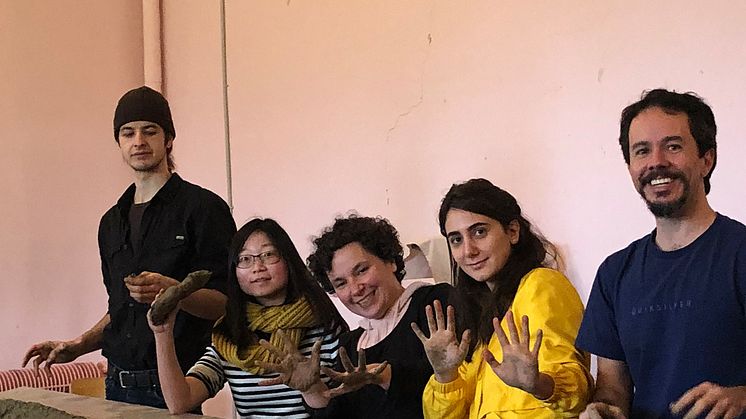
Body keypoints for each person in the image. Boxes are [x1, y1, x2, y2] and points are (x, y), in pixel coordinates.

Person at [21, 86, 236, 408]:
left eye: (150, 130)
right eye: (128, 132)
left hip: (175, 386)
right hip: (116, 381)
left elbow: (228, 304)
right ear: (118, 142)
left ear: (169, 139)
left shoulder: (203, 208)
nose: (139, 141)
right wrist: (79, 345)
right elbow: (121, 308)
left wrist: (175, 292)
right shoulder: (111, 222)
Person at [577, 89, 746, 419]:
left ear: (706, 159)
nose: (656, 161)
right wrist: (604, 410)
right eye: (642, 151)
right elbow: (613, 385)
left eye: (673, 146)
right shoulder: (614, 274)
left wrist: (741, 396)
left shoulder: (739, 253)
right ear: (630, 168)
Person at [416, 178, 591, 418]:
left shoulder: (541, 284)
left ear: (513, 231)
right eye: (456, 239)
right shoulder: (480, 311)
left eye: (479, 232)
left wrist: (539, 384)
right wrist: (445, 376)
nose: (468, 251)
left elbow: (576, 390)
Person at [149, 218, 347, 417]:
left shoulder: (325, 327)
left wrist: (312, 388)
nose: (257, 266)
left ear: (288, 260)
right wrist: (162, 334)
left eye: (268, 255)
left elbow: (350, 406)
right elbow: (180, 402)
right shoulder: (229, 335)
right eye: (245, 259)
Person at [268, 214, 452, 419]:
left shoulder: (434, 302)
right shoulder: (350, 345)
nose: (355, 289)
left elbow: (457, 383)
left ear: (390, 261)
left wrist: (386, 375)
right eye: (341, 283)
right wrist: (312, 390)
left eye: (361, 270)